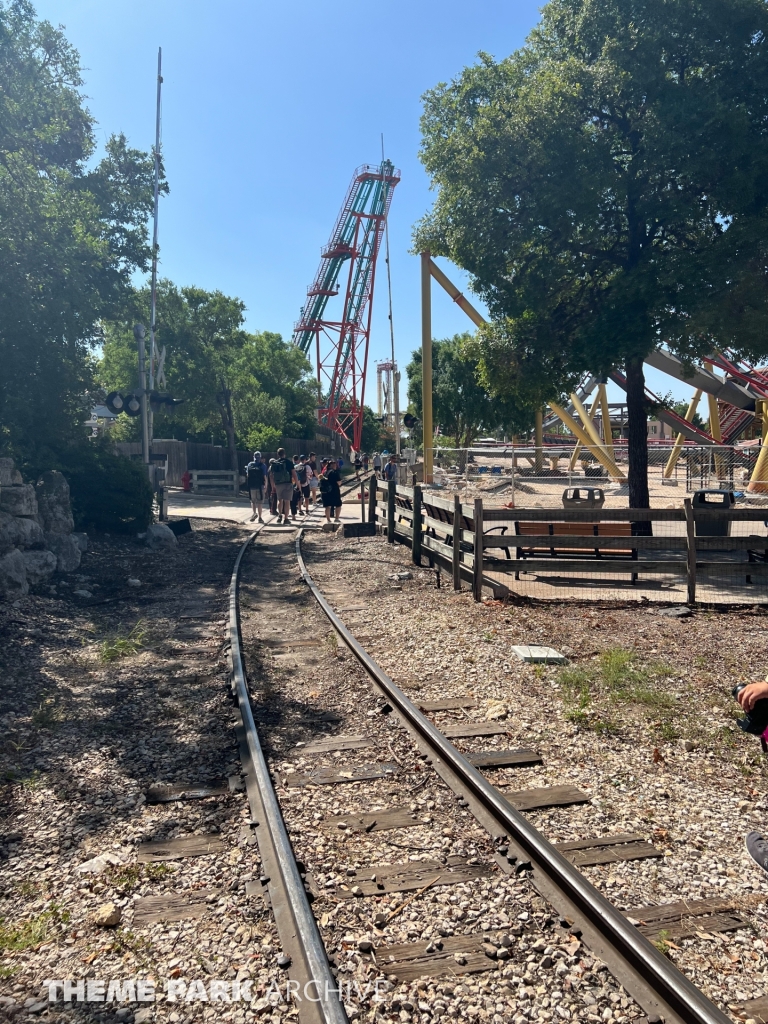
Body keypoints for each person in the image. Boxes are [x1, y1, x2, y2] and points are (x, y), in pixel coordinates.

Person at [269, 448, 299, 524]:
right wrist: (297, 484)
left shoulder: (274, 463)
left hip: (278, 484)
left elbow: (271, 476)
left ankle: (279, 515)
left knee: (280, 500)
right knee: (287, 501)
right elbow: (294, 475)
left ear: (278, 454)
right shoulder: (289, 462)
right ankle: (286, 518)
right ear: (284, 454)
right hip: (288, 483)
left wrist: (273, 486)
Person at [319, 458, 342, 526]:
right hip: (334, 491)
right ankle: (336, 518)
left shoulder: (324, 472)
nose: (336, 465)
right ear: (332, 465)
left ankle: (328, 519)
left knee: (327, 506)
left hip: (326, 491)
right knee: (338, 504)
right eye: (334, 464)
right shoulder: (335, 472)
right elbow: (339, 482)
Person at [245, 450, 266, 522]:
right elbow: (265, 477)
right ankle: (260, 517)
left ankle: (254, 513)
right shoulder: (263, 465)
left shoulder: (250, 464)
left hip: (252, 486)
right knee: (260, 502)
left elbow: (248, 475)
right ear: (260, 457)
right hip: (260, 487)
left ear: (253, 457)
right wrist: (266, 486)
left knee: (253, 501)